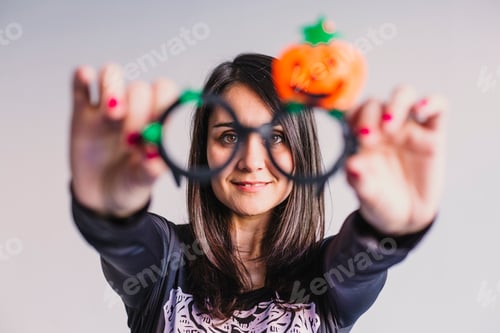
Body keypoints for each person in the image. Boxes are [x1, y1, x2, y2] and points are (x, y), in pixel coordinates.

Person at [70, 53, 447, 332]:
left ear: (302, 152)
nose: (251, 160)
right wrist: (107, 211)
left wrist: (390, 230)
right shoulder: (166, 262)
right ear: (203, 150)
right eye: (229, 136)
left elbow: (366, 256)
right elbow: (125, 240)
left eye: (277, 137)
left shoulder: (326, 278)